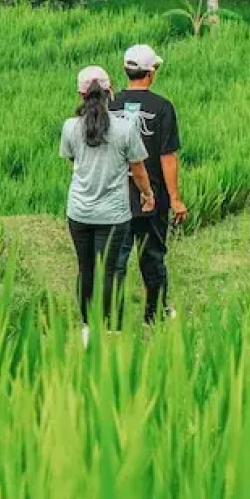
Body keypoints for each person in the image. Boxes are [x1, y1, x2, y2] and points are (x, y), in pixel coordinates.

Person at [61, 66, 154, 345]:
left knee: (85, 268)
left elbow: (72, 160)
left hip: (78, 211)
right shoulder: (125, 128)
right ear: (109, 90)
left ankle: (88, 329)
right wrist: (147, 195)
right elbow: (138, 170)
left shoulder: (69, 127)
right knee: (109, 270)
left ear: (80, 93)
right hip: (113, 214)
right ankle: (112, 329)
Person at [112, 44, 187, 324]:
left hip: (116, 197)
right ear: (151, 72)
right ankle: (154, 314)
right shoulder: (162, 108)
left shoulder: (110, 105)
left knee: (115, 260)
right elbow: (168, 157)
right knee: (153, 256)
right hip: (152, 197)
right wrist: (175, 199)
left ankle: (111, 318)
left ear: (125, 70)